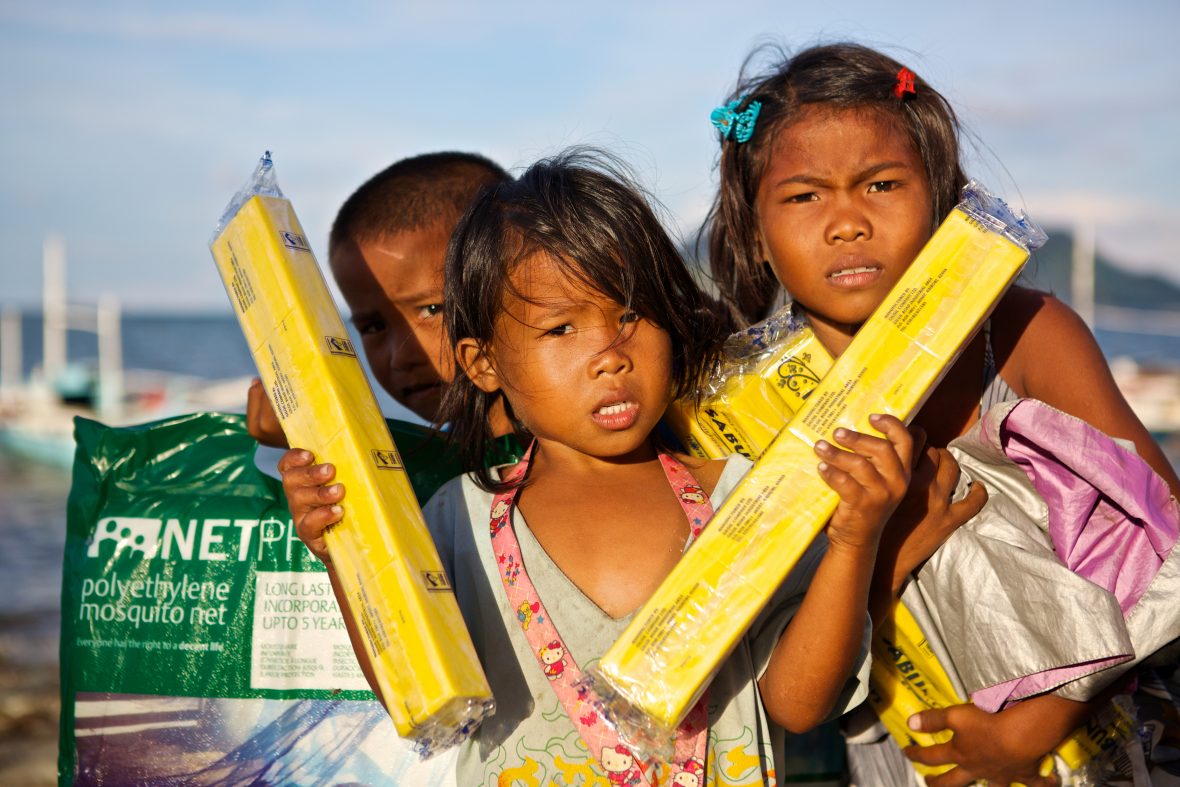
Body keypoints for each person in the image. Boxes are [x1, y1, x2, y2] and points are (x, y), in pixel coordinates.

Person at [281, 149, 919, 784]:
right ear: (484, 364)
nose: (611, 355)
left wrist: (853, 538)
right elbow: (416, 699)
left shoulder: (741, 499)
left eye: (631, 315)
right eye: (561, 329)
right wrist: (345, 551)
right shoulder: (458, 519)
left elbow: (797, 705)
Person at [705, 41, 1180, 787]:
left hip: (1106, 741)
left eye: (882, 184)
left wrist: (1040, 721)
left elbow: (1171, 542)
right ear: (753, 232)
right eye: (804, 196)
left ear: (942, 198)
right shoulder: (754, 413)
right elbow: (789, 686)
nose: (847, 223)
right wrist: (882, 555)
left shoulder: (1022, 334)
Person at [246, 151, 519, 499]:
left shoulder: (571, 450)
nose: (400, 357)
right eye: (373, 327)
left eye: (432, 309)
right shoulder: (444, 459)